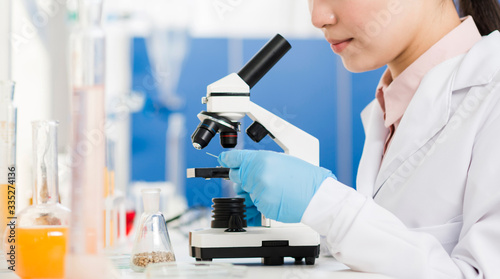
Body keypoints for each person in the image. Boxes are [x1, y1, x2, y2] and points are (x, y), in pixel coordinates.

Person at [217, 0, 500, 278]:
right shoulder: (391, 107)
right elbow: (394, 251)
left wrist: (330, 209)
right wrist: (308, 223)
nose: (318, 17)